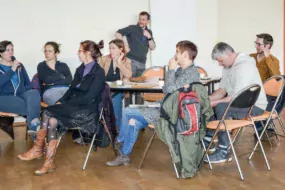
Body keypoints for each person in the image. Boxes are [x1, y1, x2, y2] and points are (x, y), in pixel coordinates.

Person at [17, 40, 106, 176]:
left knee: (47, 111)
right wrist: (61, 101)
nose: (78, 52)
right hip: (74, 106)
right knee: (51, 120)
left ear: (88, 53)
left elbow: (89, 98)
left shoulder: (98, 72)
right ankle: (49, 162)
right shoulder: (80, 69)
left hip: (86, 111)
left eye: (80, 50)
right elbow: (70, 90)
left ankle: (38, 149)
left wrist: (67, 104)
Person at [106, 40, 200, 166]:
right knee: (133, 122)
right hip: (165, 108)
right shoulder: (183, 71)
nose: (175, 55)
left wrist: (170, 70)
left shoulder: (190, 74)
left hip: (172, 115)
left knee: (128, 111)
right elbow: (170, 93)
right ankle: (124, 155)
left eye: (177, 52)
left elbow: (168, 90)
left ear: (185, 55)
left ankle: (119, 141)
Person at [204, 42, 268, 163]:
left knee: (221, 107)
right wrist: (206, 100)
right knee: (210, 105)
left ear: (229, 54)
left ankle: (224, 151)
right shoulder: (227, 67)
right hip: (239, 104)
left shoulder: (244, 66)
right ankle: (208, 141)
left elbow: (236, 97)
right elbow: (222, 91)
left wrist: (215, 103)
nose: (220, 64)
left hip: (254, 107)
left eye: (221, 61)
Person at [0, 40, 41, 134]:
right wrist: (12, 69)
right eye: (7, 50)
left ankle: (34, 127)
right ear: (1, 53)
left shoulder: (19, 65)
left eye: (12, 49)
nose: (11, 52)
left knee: (34, 93)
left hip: (20, 95)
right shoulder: (12, 66)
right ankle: (35, 127)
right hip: (4, 98)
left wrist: (23, 91)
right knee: (33, 107)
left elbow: (28, 83)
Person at [99, 39, 132, 129]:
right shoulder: (104, 59)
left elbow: (129, 75)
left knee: (115, 100)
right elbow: (97, 75)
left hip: (119, 90)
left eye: (113, 48)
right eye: (110, 48)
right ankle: (107, 128)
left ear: (121, 49)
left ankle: (117, 129)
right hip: (104, 89)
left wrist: (119, 63)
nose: (111, 50)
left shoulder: (126, 61)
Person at [115, 11, 156, 77]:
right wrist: (124, 45)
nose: (141, 21)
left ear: (148, 21)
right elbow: (117, 33)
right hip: (131, 61)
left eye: (143, 19)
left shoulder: (149, 32)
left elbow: (153, 47)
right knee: (129, 83)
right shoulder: (132, 28)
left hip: (142, 63)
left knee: (140, 85)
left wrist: (149, 37)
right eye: (140, 19)